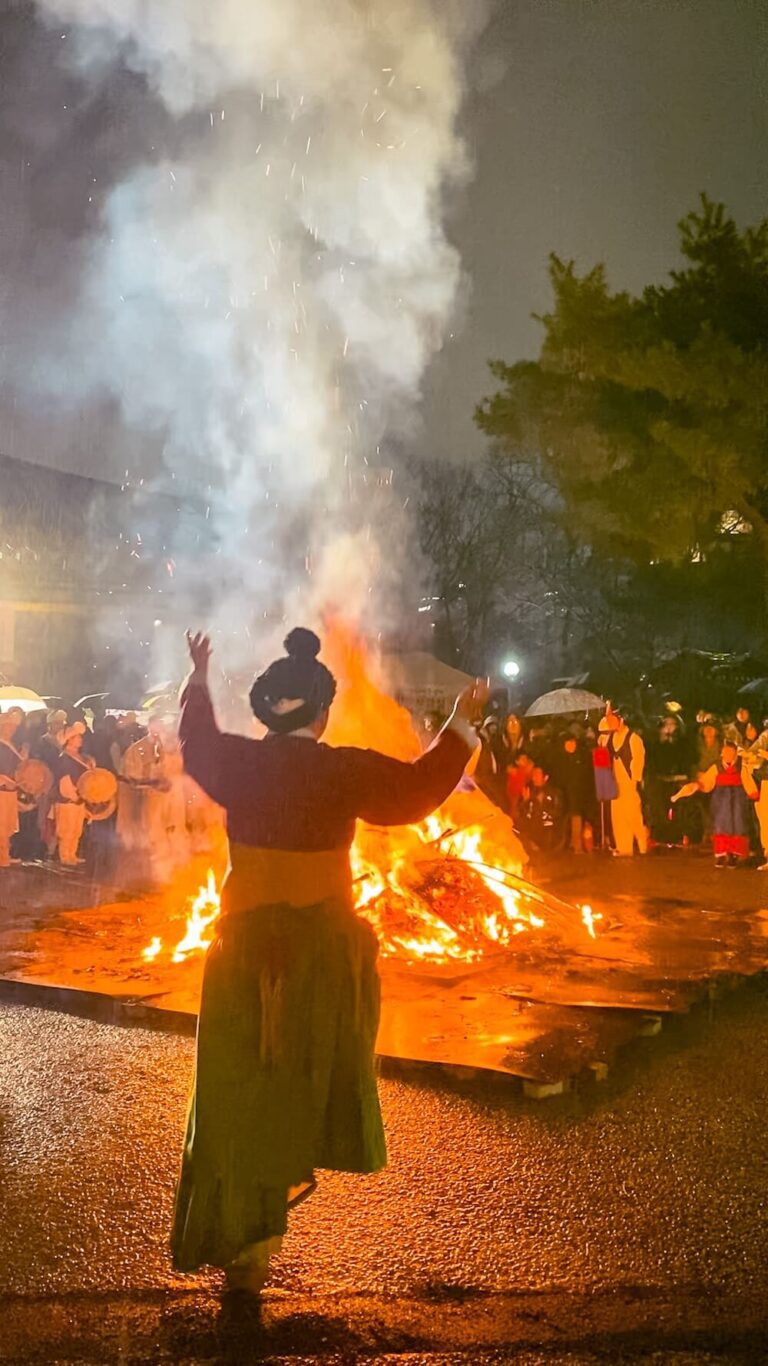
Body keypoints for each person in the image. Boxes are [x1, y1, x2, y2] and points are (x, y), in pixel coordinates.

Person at [171, 626, 485, 1293]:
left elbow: (195, 738)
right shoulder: (342, 770)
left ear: (264, 709)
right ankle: (267, 1215)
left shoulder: (236, 763)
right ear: (322, 712)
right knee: (302, 1082)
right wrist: (460, 726)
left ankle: (243, 1243)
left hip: (241, 951)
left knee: (237, 1088)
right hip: (316, 956)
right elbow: (416, 790)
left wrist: (198, 676)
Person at [672, 740, 757, 867]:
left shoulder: (741, 766)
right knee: (720, 824)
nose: (728, 754)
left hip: (737, 799)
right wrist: (698, 785)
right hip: (721, 799)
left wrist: (753, 792)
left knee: (737, 824)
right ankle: (722, 854)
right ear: (722, 753)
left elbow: (747, 780)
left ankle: (734, 854)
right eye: (726, 752)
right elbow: (707, 781)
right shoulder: (717, 767)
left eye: (731, 752)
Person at [606, 710, 647, 856]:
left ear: (621, 720)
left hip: (628, 781)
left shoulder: (633, 738)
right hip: (614, 781)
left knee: (633, 814)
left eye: (612, 720)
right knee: (618, 816)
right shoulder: (610, 738)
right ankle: (624, 847)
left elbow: (638, 758)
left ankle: (643, 845)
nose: (609, 723)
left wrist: (635, 779)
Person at [54, 725, 93, 867]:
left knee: (76, 828)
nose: (80, 739)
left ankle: (72, 853)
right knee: (66, 828)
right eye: (77, 737)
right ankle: (65, 855)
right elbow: (64, 779)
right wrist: (72, 794)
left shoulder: (82, 758)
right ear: (69, 740)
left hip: (79, 798)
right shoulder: (64, 758)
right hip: (68, 799)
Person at [554, 736, 595, 853]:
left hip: (577, 795)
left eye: (572, 744)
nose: (570, 746)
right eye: (567, 744)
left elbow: (585, 776)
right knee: (567, 820)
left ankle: (577, 845)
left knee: (577, 818)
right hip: (565, 794)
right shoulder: (562, 759)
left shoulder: (581, 758)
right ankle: (568, 843)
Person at [517, 764, 565, 854]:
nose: (534, 777)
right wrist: (525, 802)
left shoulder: (555, 793)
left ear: (545, 777)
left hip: (548, 832)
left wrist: (540, 806)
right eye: (533, 774)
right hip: (532, 830)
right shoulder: (530, 791)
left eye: (537, 775)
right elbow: (523, 814)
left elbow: (557, 814)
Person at [0, 712, 23, 867]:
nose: (11, 730)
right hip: (1, 788)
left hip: (11, 789)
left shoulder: (12, 745)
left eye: (13, 727)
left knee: (7, 824)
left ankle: (5, 853)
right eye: (8, 726)